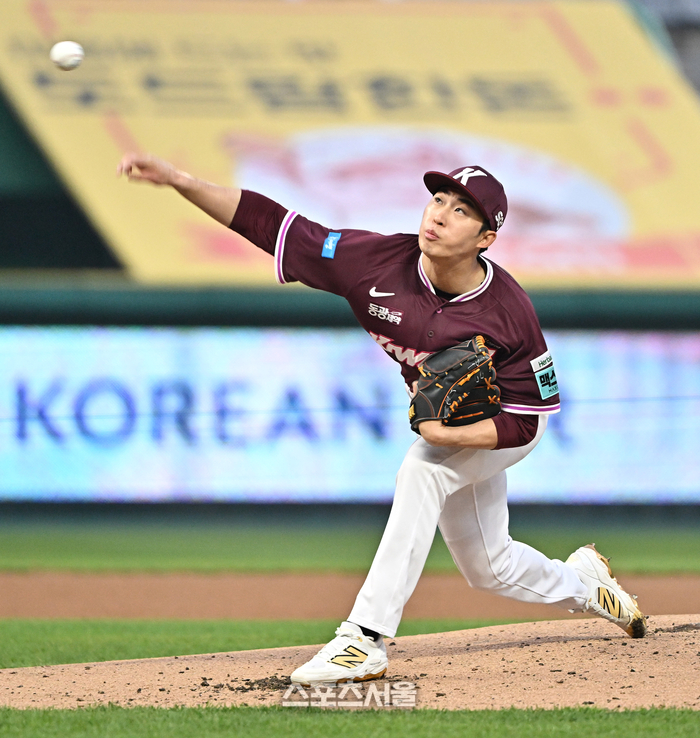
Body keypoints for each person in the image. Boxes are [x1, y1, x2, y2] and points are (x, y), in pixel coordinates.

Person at [118, 154, 647, 686]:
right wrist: (181, 181)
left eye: (461, 211)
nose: (439, 214)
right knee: (491, 566)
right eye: (438, 199)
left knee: (424, 469)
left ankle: (363, 639)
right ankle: (585, 584)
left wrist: (447, 435)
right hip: (457, 425)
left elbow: (527, 423)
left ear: (486, 238)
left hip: (504, 427)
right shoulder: (372, 261)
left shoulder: (510, 311)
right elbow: (272, 224)